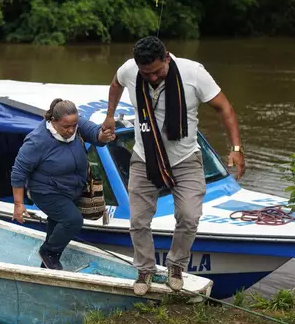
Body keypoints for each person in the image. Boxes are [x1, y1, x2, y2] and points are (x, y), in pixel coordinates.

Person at [102, 36, 245, 295]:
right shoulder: (130, 70)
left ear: (167, 57)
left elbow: (224, 107)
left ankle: (176, 265)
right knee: (138, 220)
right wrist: (110, 115)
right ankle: (145, 270)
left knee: (189, 217)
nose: (153, 78)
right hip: (145, 157)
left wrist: (236, 148)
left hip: (185, 159)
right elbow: (115, 83)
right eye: (147, 74)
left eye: (158, 71)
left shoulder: (194, 74)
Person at [11, 99, 115, 270]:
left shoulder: (76, 125)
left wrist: (104, 136)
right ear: (53, 121)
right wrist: (18, 204)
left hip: (71, 190)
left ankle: (46, 269)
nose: (71, 130)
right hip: (46, 192)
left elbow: (96, 134)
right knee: (72, 220)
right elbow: (18, 172)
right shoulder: (37, 141)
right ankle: (48, 252)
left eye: (74, 125)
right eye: (66, 127)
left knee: (56, 229)